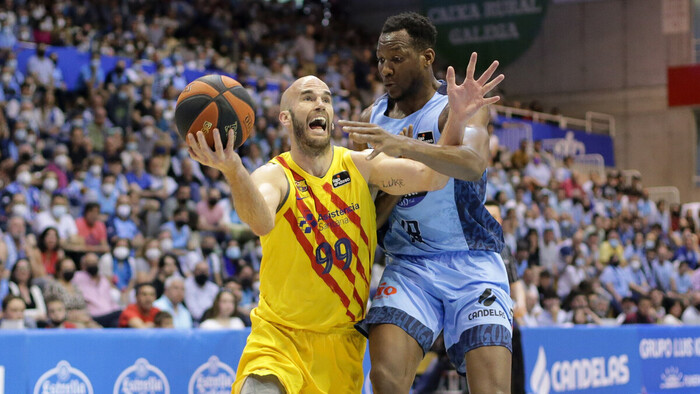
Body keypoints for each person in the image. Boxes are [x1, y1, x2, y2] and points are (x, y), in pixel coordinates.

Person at [185, 70, 479, 393]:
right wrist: (234, 169)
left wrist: (458, 119)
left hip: (341, 347)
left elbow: (432, 178)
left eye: (326, 99)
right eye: (308, 97)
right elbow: (260, 221)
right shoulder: (274, 176)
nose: (320, 104)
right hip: (279, 339)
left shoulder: (361, 165)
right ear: (285, 117)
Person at [339, 13, 510, 393]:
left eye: (396, 58)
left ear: (426, 57)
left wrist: (404, 147)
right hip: (409, 264)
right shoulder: (373, 118)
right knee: (385, 378)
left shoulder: (458, 106)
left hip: (471, 262)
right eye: (381, 60)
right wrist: (391, 188)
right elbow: (371, 211)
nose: (386, 69)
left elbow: (472, 164)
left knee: (492, 389)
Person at [72, 253, 121, 327]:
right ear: (83, 265)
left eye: (95, 262)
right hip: (93, 315)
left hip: (110, 313)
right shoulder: (77, 277)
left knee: (117, 322)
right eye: (89, 263)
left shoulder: (104, 280)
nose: (93, 265)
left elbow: (110, 299)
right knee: (119, 313)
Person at [8, 258, 46, 323]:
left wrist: (26, 314)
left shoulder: (35, 289)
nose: (23, 271)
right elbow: (16, 312)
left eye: (26, 269)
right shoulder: (11, 287)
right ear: (14, 272)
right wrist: (35, 315)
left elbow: (43, 313)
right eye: (20, 269)